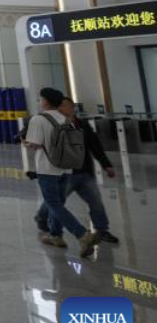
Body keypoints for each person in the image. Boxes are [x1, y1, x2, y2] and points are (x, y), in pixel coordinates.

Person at [24, 87, 98, 257]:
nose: (40, 102)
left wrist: (25, 143)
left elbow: (34, 144)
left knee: (53, 204)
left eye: (41, 99)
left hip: (47, 168)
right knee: (58, 203)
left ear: (46, 102)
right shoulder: (66, 119)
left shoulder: (39, 119)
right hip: (66, 167)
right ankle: (56, 236)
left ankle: (82, 234)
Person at [35, 97, 120, 244]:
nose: (61, 109)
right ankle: (43, 219)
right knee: (56, 203)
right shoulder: (53, 125)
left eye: (64, 106)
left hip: (85, 173)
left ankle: (102, 230)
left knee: (96, 203)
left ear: (72, 108)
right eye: (59, 106)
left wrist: (106, 165)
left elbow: (95, 145)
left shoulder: (83, 125)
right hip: (64, 174)